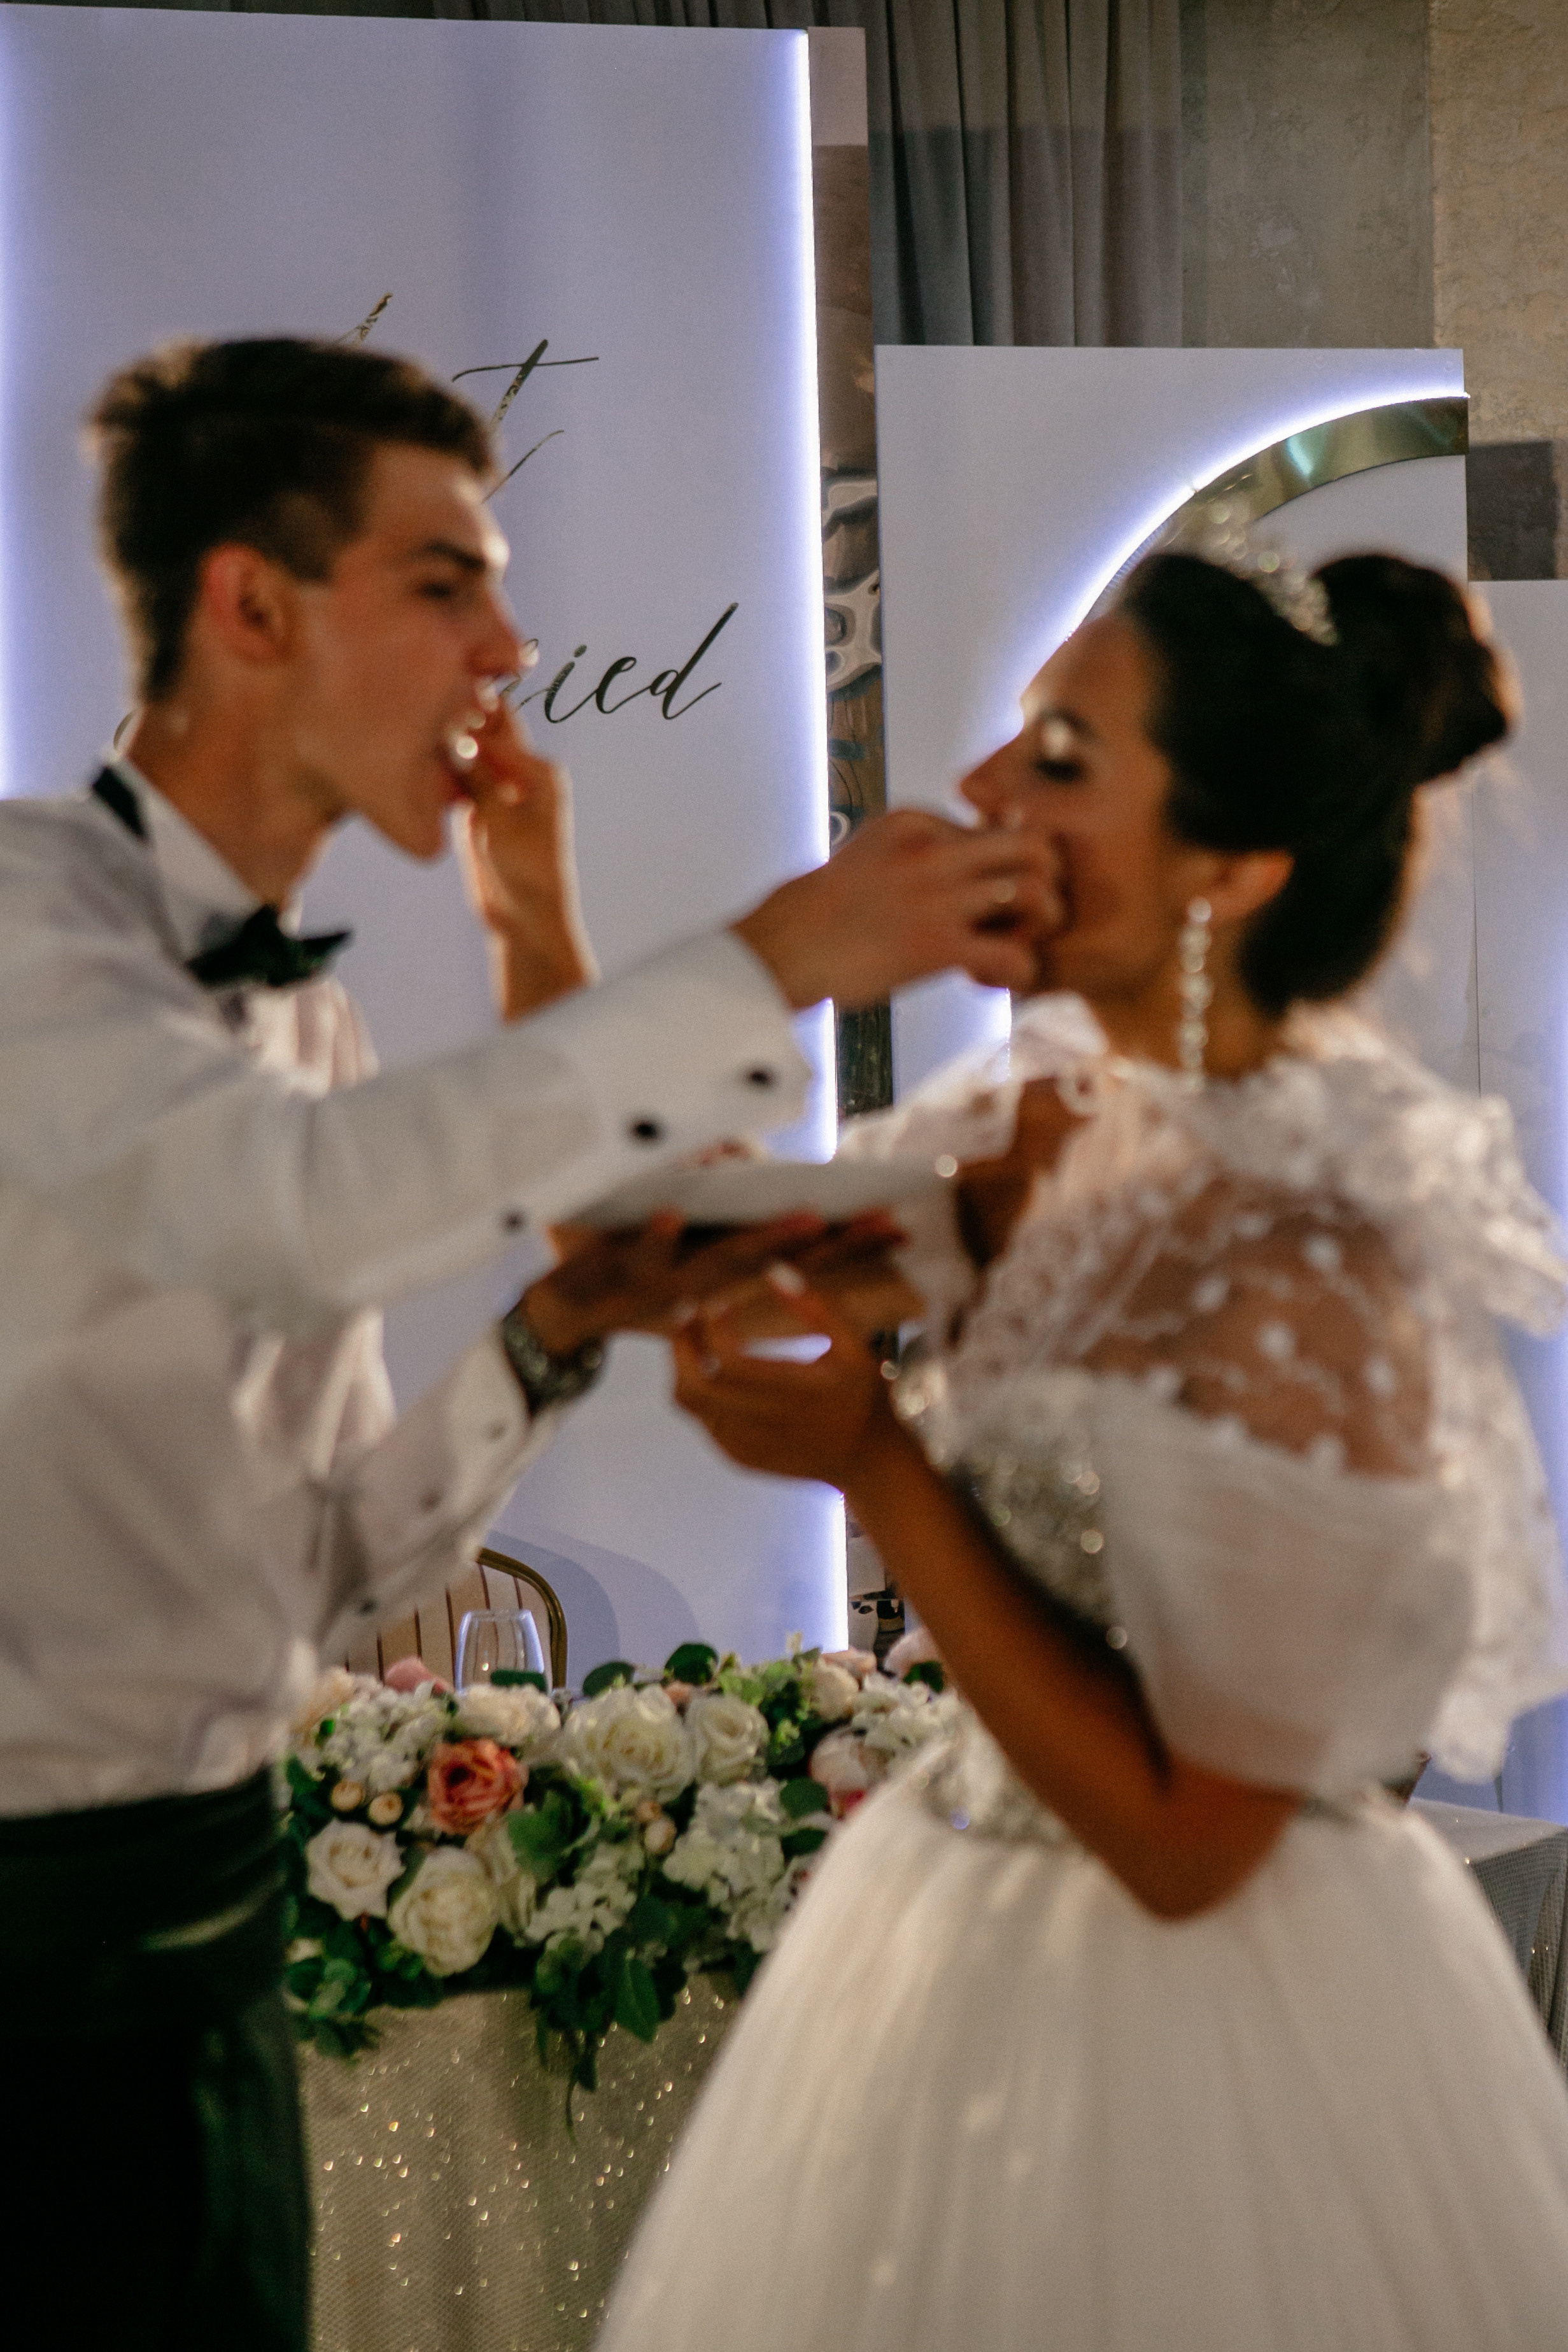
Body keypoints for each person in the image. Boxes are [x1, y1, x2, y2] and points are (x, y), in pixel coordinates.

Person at [0, 336, 1058, 2352]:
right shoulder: (18, 923)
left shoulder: (309, 1027)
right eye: (445, 581)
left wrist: (560, 1330)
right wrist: (783, 957)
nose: (513, 644)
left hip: (211, 1950)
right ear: (250, 607)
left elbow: (339, 1570)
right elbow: (297, 1208)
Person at [597, 544, 1568, 2351]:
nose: (973, 791)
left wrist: (878, 1467)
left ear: (1231, 866)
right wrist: (575, 915)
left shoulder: (1304, 1248)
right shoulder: (1041, 1120)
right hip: (951, 1930)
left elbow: (1198, 1848)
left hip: (1226, 2034)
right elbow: (626, 1249)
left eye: (1058, 752)